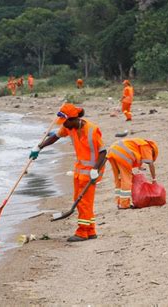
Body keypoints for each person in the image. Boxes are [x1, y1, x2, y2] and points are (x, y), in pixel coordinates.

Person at [29, 103, 106, 242]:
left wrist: (95, 170)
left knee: (84, 203)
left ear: (73, 118)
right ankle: (91, 230)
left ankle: (82, 232)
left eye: (65, 121)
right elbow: (55, 137)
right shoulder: (69, 127)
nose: (63, 125)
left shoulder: (92, 130)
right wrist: (39, 147)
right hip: (79, 170)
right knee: (81, 201)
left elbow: (103, 152)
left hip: (92, 172)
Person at [106, 138, 159, 209]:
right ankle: (124, 204)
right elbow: (150, 163)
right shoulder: (147, 146)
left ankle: (119, 202)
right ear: (152, 151)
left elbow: (135, 153)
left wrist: (140, 167)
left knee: (118, 178)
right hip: (121, 153)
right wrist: (154, 179)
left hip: (112, 150)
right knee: (126, 179)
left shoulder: (139, 143)